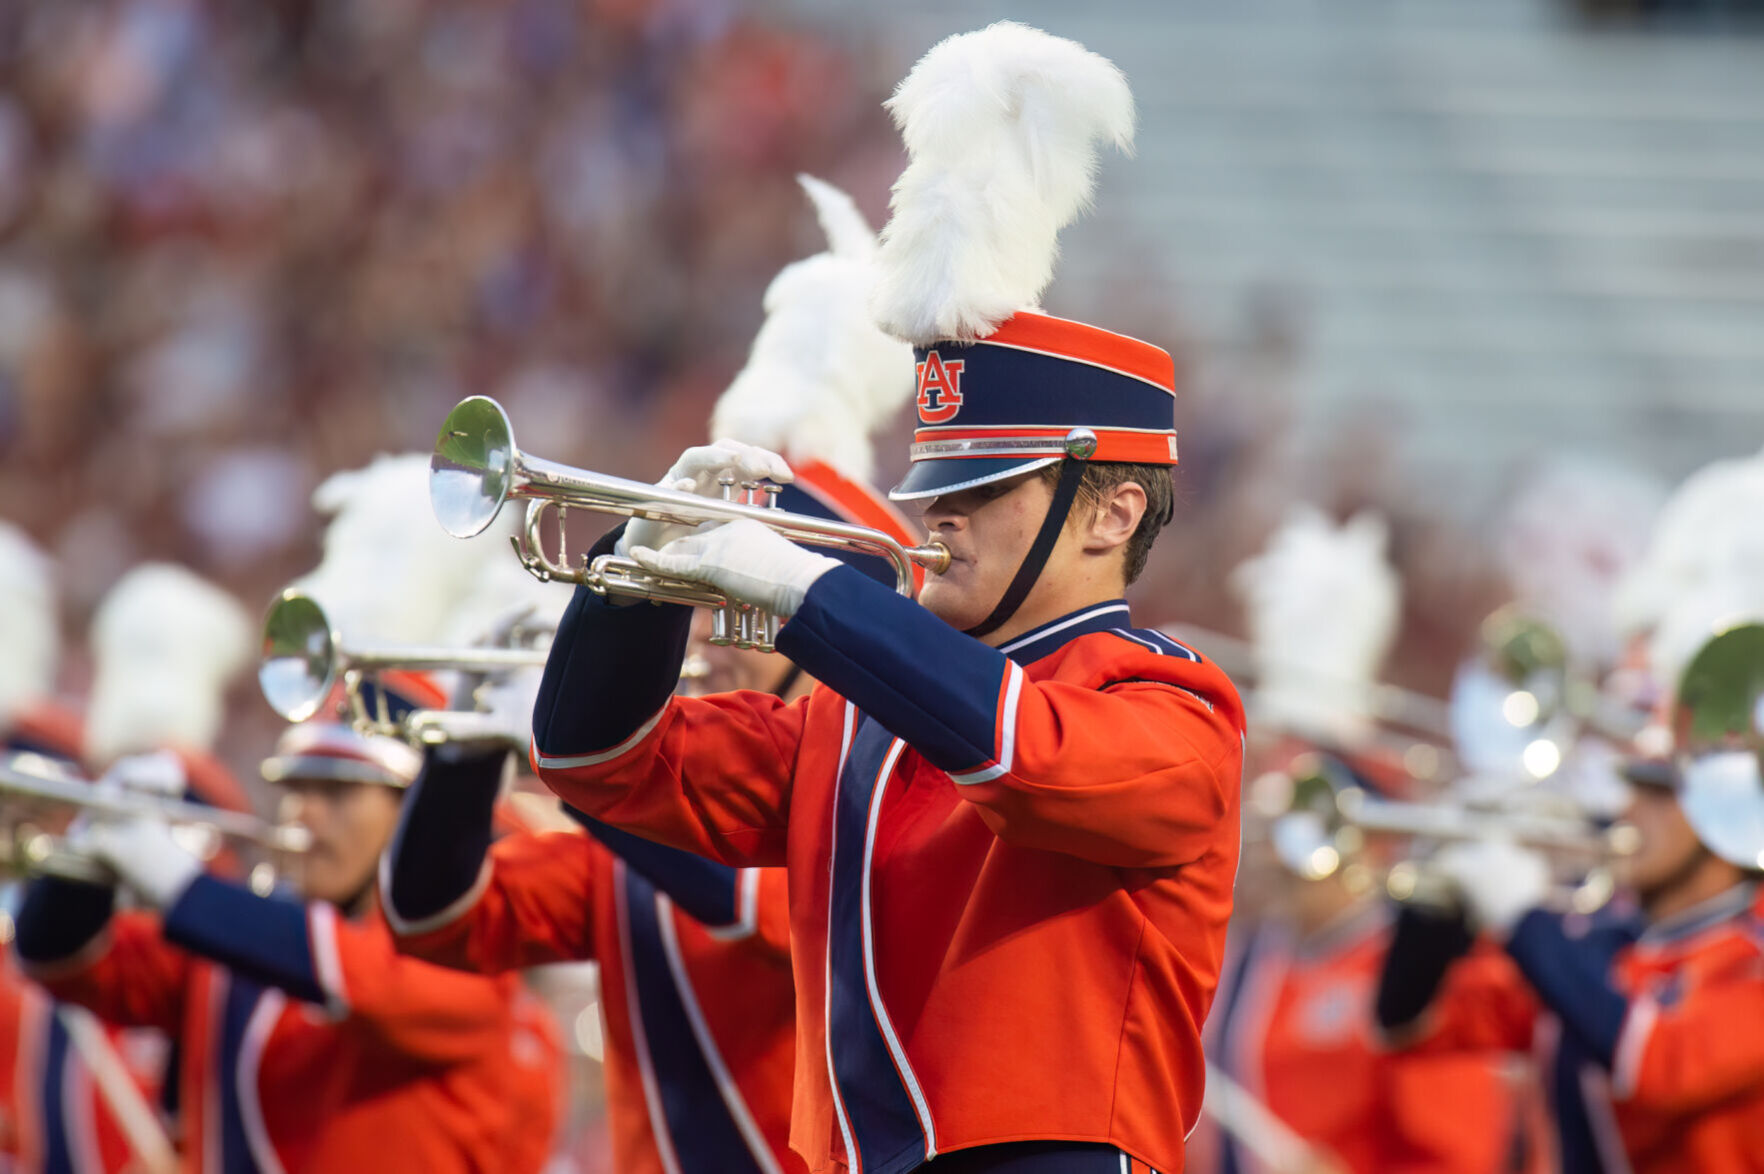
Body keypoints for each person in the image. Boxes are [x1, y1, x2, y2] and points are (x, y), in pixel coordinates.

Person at [519, 23, 1245, 1174]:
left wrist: (805, 589)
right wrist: (634, 568)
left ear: (1110, 512)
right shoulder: (850, 724)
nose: (938, 514)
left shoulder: (1169, 704)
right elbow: (602, 765)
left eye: (985, 486)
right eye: (937, 485)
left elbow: (1022, 755)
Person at [385, 173, 921, 1174]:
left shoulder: (871, 787)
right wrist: (466, 744)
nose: (708, 637)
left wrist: (571, 743)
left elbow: (752, 906)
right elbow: (435, 918)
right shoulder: (644, 814)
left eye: (747, 606)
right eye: (701, 599)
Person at [14, 522, 564, 1173]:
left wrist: (178, 881)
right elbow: (59, 959)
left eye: (338, 793)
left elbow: (353, 978)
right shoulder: (231, 955)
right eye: (296, 786)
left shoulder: (470, 963)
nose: (303, 812)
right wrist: (92, 849)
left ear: (412, 814)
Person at [1377, 482, 1764, 1174]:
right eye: (1624, 780)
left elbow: (1661, 1064)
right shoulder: (1602, 943)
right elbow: (1407, 1025)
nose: (1625, 805)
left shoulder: (1749, 956)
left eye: (1655, 789)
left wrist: (1524, 912)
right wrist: (1440, 894)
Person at [1194, 507, 1532, 1174]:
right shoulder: (1246, 957)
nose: (1265, 844)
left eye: (1293, 814)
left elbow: (1461, 1155)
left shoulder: (1407, 964)